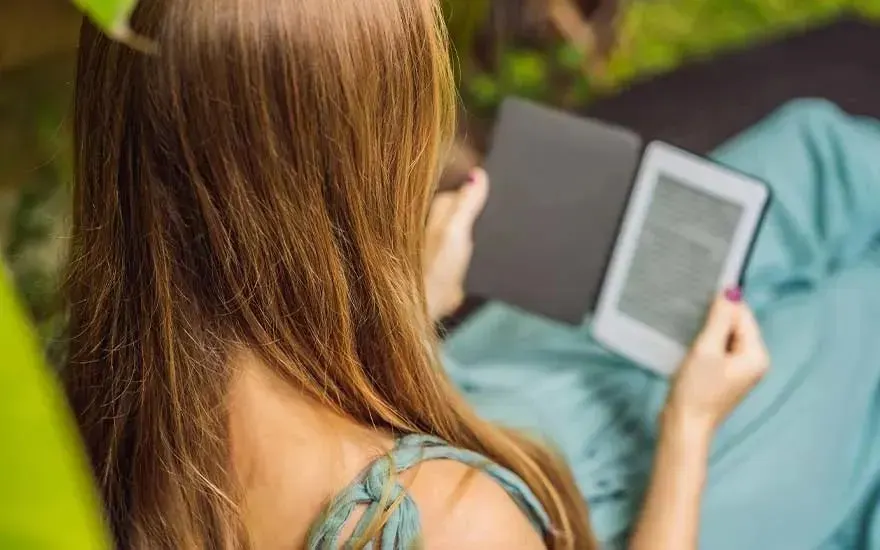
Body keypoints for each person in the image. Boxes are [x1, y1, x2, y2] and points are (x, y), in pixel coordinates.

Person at [66, 0, 880, 549]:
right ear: (339, 177)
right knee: (860, 314)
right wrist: (692, 429)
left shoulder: (110, 396)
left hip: (463, 389)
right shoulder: (454, 522)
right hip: (635, 492)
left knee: (809, 152)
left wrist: (403, 310)